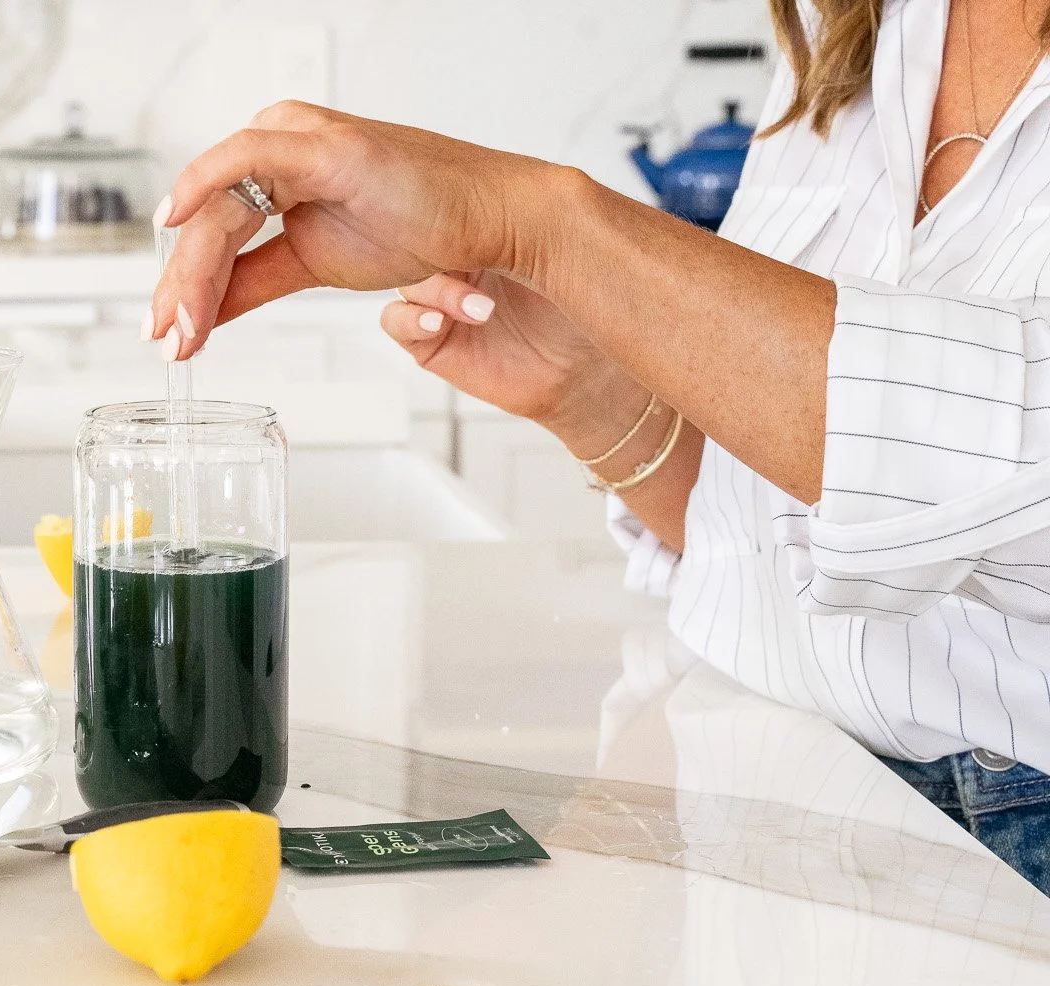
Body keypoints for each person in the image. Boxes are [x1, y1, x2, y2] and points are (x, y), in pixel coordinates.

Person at [150, 0, 1050, 893]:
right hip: (773, 810)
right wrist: (591, 395)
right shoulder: (849, 23)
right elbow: (779, 543)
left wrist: (546, 224)